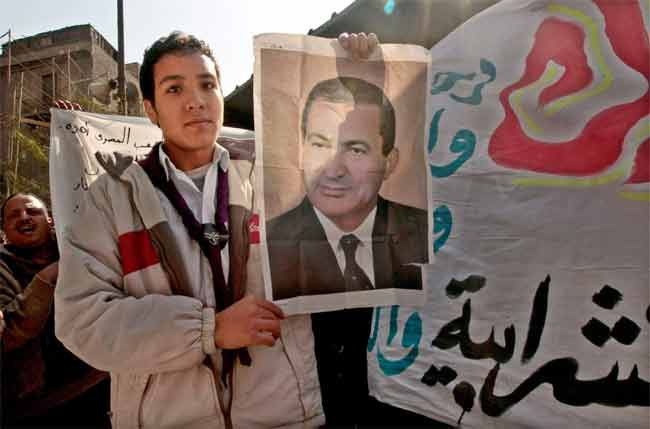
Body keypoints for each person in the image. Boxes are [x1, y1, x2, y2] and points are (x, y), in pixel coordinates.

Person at [54, 31, 375, 428]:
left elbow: (359, 180)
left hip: (283, 416)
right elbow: (81, 320)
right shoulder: (110, 199)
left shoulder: (281, 179)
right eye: (174, 89)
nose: (196, 100)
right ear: (150, 110)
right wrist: (210, 330)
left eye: (207, 84)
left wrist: (361, 75)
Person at [267, 76, 428, 300]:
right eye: (320, 145)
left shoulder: (430, 233)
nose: (333, 171)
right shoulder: (265, 247)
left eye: (356, 150)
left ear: (389, 162)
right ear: (301, 153)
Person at [0, 193, 109, 427]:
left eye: (33, 211)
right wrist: (49, 276)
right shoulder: (3, 268)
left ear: (50, 219)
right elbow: (9, 332)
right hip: (39, 406)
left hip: (103, 382)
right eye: (13, 215)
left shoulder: (84, 251)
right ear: (5, 230)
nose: (24, 218)